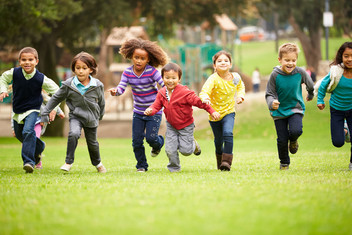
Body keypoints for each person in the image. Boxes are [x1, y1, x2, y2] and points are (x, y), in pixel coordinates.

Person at [144, 63, 220, 172]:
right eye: (167, 78)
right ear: (162, 78)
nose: (170, 81)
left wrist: (212, 111)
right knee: (170, 149)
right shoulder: (161, 93)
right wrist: (150, 110)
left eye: (173, 78)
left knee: (186, 151)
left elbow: (199, 102)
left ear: (179, 79)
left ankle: (193, 145)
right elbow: (156, 106)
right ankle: (174, 168)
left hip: (186, 125)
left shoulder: (185, 93)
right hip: (171, 126)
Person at [108, 38, 168, 172]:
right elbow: (121, 88)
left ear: (148, 60)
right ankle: (141, 165)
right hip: (138, 113)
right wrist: (115, 92)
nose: (139, 61)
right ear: (131, 57)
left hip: (154, 111)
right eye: (136, 57)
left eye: (142, 58)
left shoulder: (152, 71)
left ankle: (159, 143)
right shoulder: (128, 73)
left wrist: (170, 95)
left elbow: (164, 85)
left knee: (151, 138)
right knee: (136, 141)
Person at [41, 52, 106, 173]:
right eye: (78, 68)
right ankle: (68, 162)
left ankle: (98, 163)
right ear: (74, 69)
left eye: (84, 68)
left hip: (92, 118)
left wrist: (100, 115)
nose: (81, 71)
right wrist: (45, 112)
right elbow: (55, 98)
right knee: (74, 134)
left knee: (92, 143)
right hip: (76, 116)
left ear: (91, 69)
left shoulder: (98, 85)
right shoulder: (68, 85)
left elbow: (102, 102)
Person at [0, 47, 60, 173]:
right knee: (20, 135)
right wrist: (3, 90)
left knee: (28, 131)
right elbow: (4, 78)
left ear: (36, 61)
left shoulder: (41, 78)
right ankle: (40, 146)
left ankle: (29, 162)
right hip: (17, 110)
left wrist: (55, 108)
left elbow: (57, 91)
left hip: (33, 109)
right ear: (19, 61)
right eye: (24, 60)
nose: (27, 62)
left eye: (30, 60)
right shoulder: (14, 73)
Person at [265, 43, 314, 170]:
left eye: (293, 60)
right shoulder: (275, 75)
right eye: (287, 60)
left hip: (295, 108)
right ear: (280, 60)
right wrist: (272, 103)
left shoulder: (300, 72)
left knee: (296, 131)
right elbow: (269, 93)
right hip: (279, 111)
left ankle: (293, 141)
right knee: (281, 139)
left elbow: (310, 85)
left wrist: (310, 94)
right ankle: (284, 163)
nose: (290, 63)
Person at [199, 50, 245, 171]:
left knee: (228, 133)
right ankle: (219, 160)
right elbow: (204, 91)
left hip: (229, 112)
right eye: (219, 61)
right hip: (214, 114)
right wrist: (205, 98)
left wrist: (240, 96)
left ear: (230, 64)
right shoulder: (212, 79)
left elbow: (240, 86)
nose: (223, 63)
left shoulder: (235, 77)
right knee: (218, 141)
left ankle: (226, 162)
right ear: (214, 65)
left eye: (226, 61)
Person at [317, 42, 352, 170]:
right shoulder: (336, 72)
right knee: (338, 143)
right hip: (337, 109)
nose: (350, 59)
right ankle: (345, 130)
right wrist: (320, 100)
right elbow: (323, 85)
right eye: (346, 56)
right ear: (341, 57)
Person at [10, 90, 65, 169]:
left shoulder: (39, 93)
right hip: (24, 121)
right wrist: (13, 128)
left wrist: (59, 112)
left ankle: (36, 163)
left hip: (38, 121)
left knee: (33, 139)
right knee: (27, 142)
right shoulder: (19, 96)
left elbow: (51, 102)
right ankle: (35, 156)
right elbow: (14, 113)